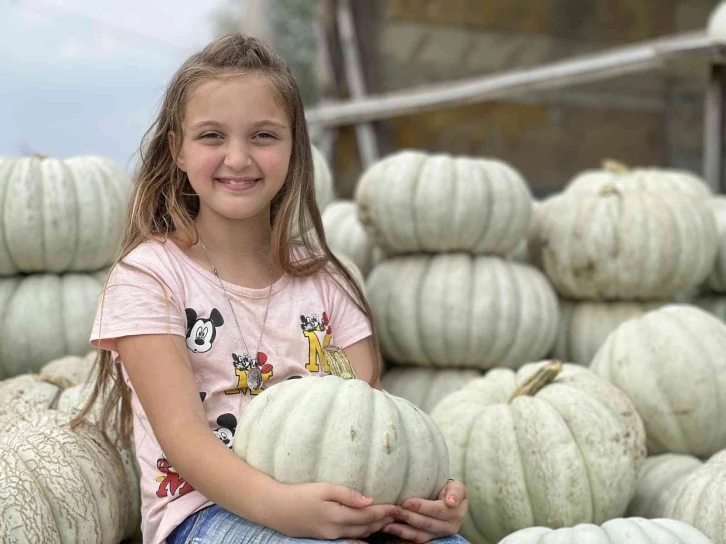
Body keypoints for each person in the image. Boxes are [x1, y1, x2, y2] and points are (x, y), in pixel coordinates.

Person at [72, 34, 468, 544]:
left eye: (263, 135)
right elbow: (185, 437)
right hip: (206, 515)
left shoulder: (327, 282)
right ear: (178, 150)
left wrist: (432, 493)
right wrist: (283, 507)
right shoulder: (149, 277)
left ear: (293, 147)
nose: (238, 157)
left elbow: (370, 425)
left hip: (337, 509)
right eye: (212, 135)